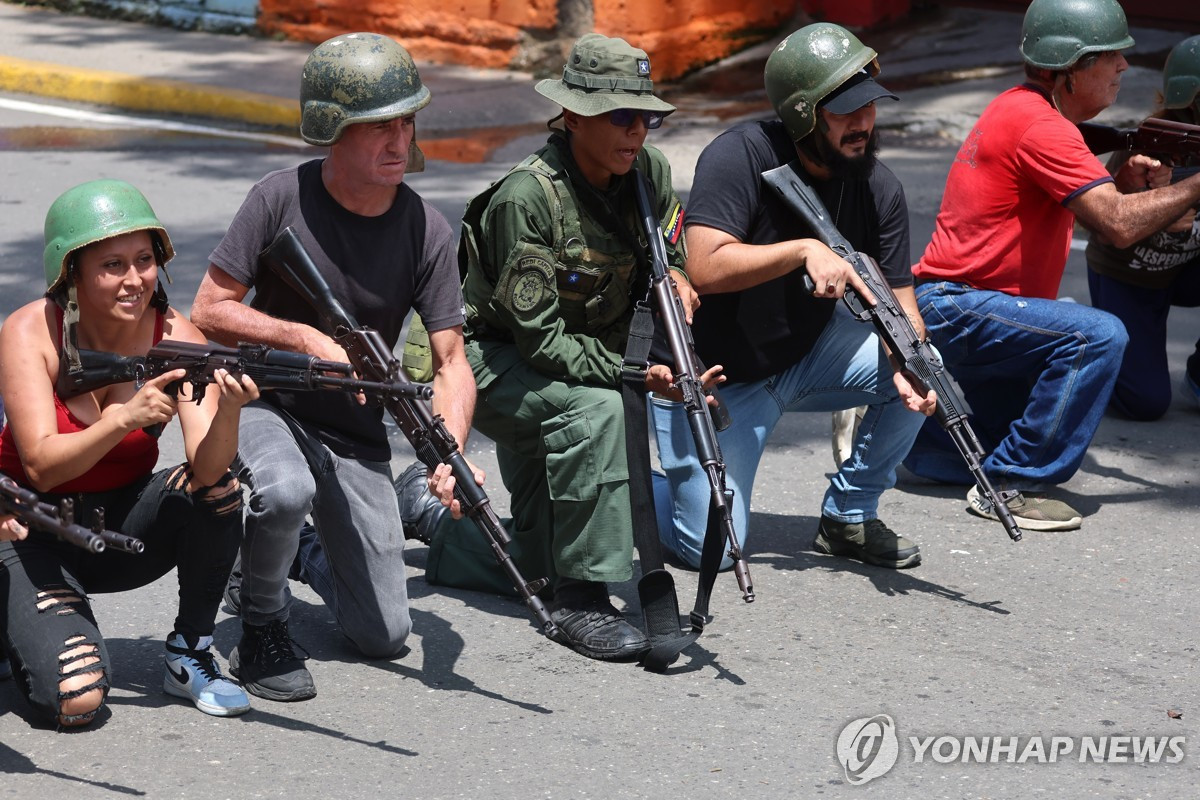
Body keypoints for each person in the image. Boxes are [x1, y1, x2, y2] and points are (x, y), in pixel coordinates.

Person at [397, 33, 706, 662]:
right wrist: (634, 376)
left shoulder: (648, 173)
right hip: (485, 358)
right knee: (599, 413)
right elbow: (541, 342)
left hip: (572, 353)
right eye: (621, 116)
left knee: (535, 560)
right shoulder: (527, 198)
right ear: (573, 115)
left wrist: (677, 280)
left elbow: (666, 258)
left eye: (646, 116)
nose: (638, 131)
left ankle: (432, 519)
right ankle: (583, 600)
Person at [189, 32, 475, 701]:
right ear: (332, 130)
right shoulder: (278, 197)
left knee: (384, 634)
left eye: (406, 122)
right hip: (267, 402)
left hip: (352, 430)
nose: (399, 142)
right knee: (285, 490)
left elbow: (451, 359)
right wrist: (303, 338)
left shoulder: (427, 230)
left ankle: (292, 553)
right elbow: (208, 307)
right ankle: (262, 627)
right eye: (379, 126)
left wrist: (450, 449)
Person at [649, 23, 936, 575]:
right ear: (804, 114)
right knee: (704, 546)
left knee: (930, 369)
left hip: (800, 362)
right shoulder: (740, 155)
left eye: (870, 106)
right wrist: (801, 249)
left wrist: (908, 362)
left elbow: (904, 303)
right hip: (708, 378)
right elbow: (704, 265)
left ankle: (849, 516)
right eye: (845, 111)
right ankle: (624, 485)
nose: (864, 123)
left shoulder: (879, 189)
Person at [904, 0, 1200, 530]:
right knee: (1098, 336)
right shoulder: (1045, 126)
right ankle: (1014, 483)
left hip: (966, 312)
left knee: (962, 456)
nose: (1124, 68)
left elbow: (1092, 215)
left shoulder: (1020, 108)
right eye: (1112, 56)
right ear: (1073, 65)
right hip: (962, 308)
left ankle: (905, 428)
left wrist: (1127, 183)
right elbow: (1118, 225)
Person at [0, 179, 258, 727]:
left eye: (144, 260)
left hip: (115, 527)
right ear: (71, 272)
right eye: (112, 265)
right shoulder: (30, 332)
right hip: (26, 530)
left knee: (220, 489)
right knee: (78, 700)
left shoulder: (174, 335)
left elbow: (208, 470)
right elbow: (42, 465)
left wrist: (229, 411)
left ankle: (190, 651)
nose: (135, 279)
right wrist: (124, 419)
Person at [1086, 35, 1200, 420]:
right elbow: (1104, 227)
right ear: (1192, 94)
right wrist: (1165, 205)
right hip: (1128, 275)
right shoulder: (1154, 143)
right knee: (1145, 404)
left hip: (1184, 271)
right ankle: (1072, 345)